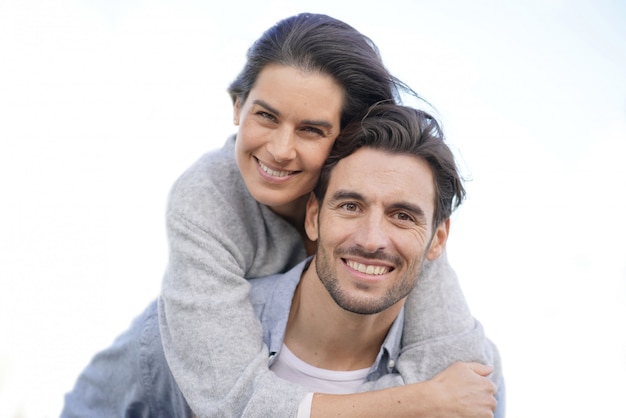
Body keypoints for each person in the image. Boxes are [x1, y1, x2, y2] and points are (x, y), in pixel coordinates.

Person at [145, 12, 501, 417]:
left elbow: (462, 377)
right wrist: (422, 401)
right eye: (266, 115)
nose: (280, 149)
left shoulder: (393, 210)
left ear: (346, 137)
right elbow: (236, 402)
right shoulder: (207, 198)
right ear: (238, 106)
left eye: (311, 129)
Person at [61, 103, 503, 418]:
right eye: (349, 206)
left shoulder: (469, 378)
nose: (372, 240)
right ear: (313, 216)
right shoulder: (179, 336)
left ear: (438, 238)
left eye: (402, 216)